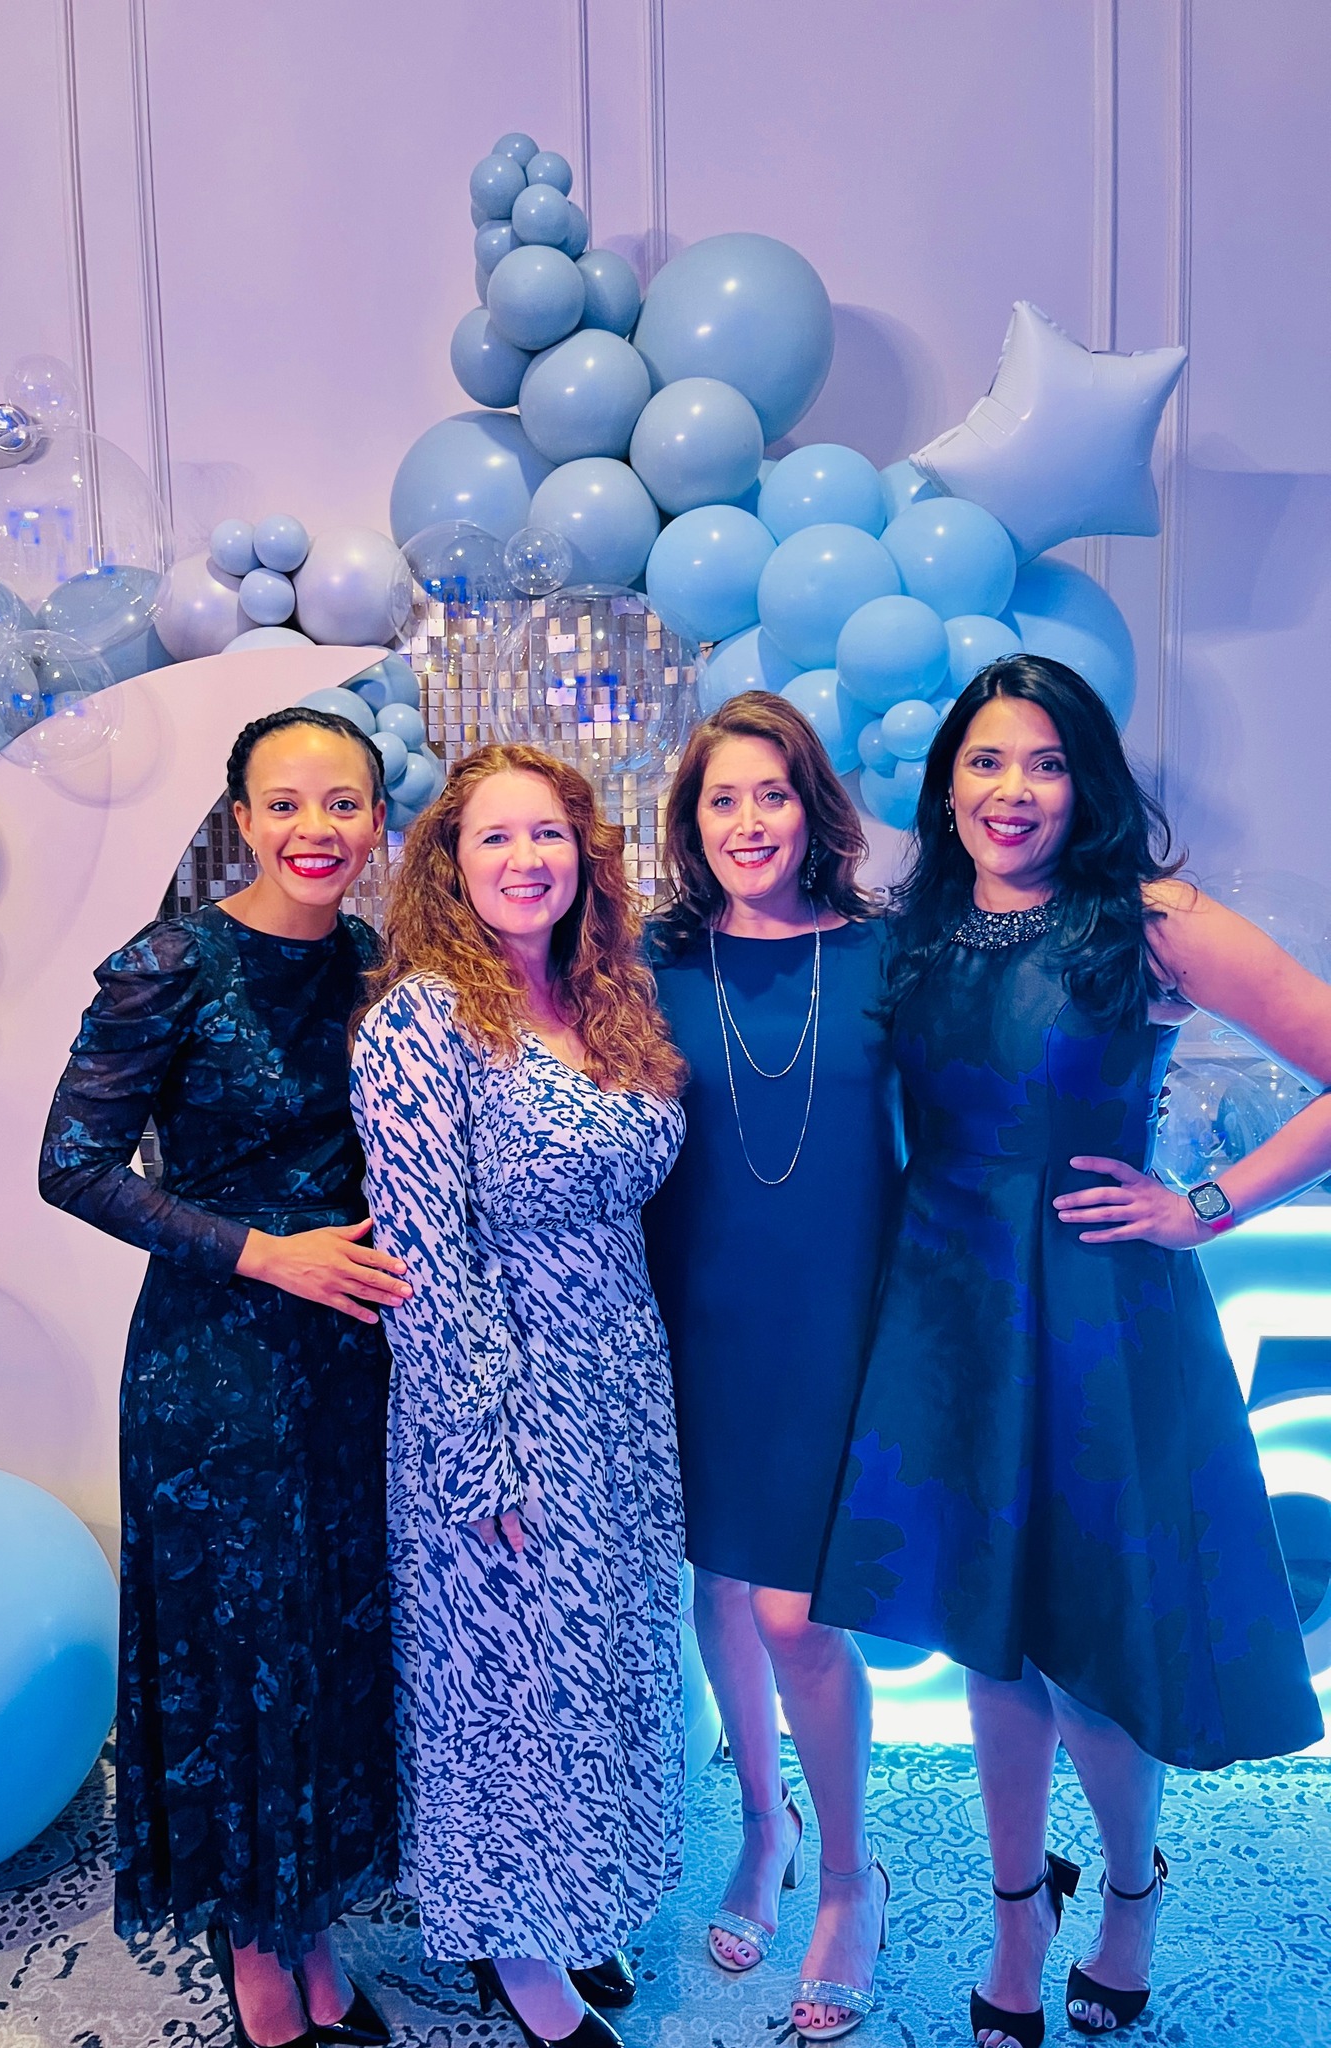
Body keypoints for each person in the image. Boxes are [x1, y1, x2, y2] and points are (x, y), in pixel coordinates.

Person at [810, 656, 1327, 2048]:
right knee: (995, 1641)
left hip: (1101, 1313)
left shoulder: (1147, 923)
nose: (1012, 790)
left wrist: (1207, 1204)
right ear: (947, 783)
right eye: (986, 762)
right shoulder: (912, 926)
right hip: (949, 1307)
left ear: (1085, 779)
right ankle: (1016, 1917)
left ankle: (1134, 1894)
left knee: (1091, 1640)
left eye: (1043, 763)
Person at [41, 707, 411, 2048]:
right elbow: (70, 1165)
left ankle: (309, 1915)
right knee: (241, 1651)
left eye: (345, 804)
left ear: (377, 820)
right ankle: (260, 1948)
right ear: (243, 819)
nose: (319, 830)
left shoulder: (377, 963)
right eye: (288, 803)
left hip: (357, 1362)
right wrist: (262, 1253)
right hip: (215, 1371)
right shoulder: (170, 962)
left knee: (328, 1646)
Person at [348, 743, 686, 2048]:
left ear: (582, 854)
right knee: (503, 1688)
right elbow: (424, 1261)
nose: (526, 860)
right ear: (449, 862)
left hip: (617, 1378)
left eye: (547, 835)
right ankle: (511, 1952)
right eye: (495, 838)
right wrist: (481, 1460)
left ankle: (573, 1896)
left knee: (596, 1667)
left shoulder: (608, 1003)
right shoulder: (419, 1024)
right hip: (495, 1394)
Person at [642, 693, 901, 2043]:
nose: (749, 822)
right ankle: (765, 1824)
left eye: (773, 794)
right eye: (721, 801)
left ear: (815, 808)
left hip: (842, 1322)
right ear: (691, 825)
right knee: (721, 1590)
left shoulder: (891, 954)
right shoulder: (645, 962)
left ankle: (851, 1880)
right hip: (686, 1320)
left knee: (803, 1616)